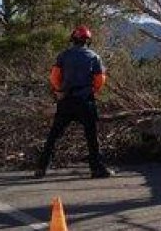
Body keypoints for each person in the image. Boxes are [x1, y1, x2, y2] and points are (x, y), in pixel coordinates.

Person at [35, 25, 113, 179]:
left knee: (54, 135)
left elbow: (54, 77)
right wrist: (91, 91)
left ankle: (41, 168)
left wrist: (60, 91)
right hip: (85, 101)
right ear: (87, 41)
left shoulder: (63, 55)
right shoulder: (94, 57)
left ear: (73, 39)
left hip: (67, 101)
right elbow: (100, 80)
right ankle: (96, 169)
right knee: (91, 136)